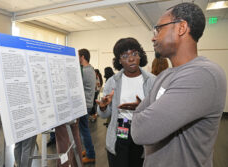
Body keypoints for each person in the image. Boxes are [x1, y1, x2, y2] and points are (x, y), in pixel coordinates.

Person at [131, 3, 227, 167]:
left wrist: (143, 113)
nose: (154, 37)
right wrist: (142, 113)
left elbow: (141, 131)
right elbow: (141, 117)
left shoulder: (203, 75)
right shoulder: (165, 75)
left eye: (159, 29)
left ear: (181, 27)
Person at [96, 37, 156, 167]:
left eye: (134, 54)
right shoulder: (112, 81)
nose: (131, 59)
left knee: (139, 161)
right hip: (122, 127)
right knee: (120, 160)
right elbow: (104, 115)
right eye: (125, 56)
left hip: (142, 129)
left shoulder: (152, 81)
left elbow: (160, 113)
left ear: (140, 56)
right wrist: (103, 108)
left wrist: (143, 107)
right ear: (119, 61)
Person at [78, 48, 96, 164]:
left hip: (84, 104)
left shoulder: (85, 70)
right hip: (87, 103)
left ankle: (90, 154)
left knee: (84, 130)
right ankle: (88, 150)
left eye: (78, 56)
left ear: (83, 57)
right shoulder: (91, 69)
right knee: (83, 130)